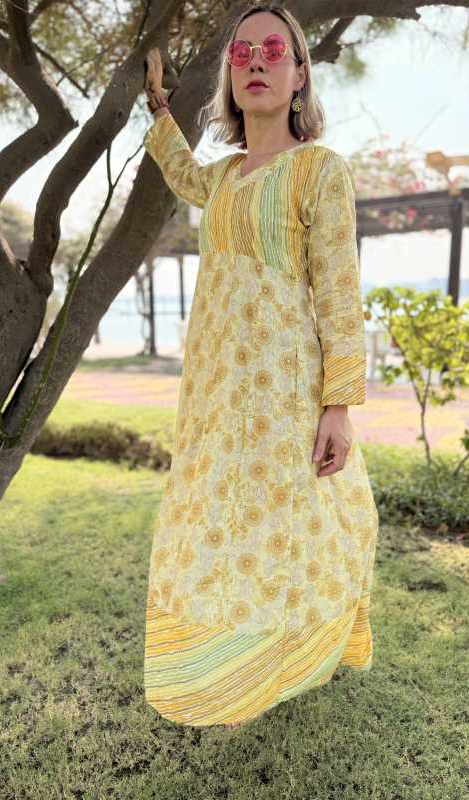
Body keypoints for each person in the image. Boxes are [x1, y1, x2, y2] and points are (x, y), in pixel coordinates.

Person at [142, 2, 379, 731]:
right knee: (217, 519)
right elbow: (180, 169)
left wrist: (338, 403)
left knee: (289, 523)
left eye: (272, 49)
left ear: (300, 73)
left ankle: (291, 650)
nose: (253, 62)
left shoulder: (318, 172)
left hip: (284, 389)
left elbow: (338, 290)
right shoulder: (220, 180)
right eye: (241, 53)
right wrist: (156, 107)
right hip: (215, 389)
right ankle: (223, 665)